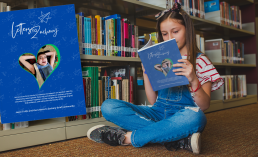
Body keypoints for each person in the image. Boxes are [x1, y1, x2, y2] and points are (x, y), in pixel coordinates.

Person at [86, 2, 224, 154]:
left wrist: (193, 79)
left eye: (175, 31)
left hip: (184, 114)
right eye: (164, 34)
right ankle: (177, 137)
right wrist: (146, 73)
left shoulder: (201, 61)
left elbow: (204, 106)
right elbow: (153, 101)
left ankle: (127, 138)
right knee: (109, 106)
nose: (169, 38)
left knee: (197, 118)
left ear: (188, 30)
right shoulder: (159, 57)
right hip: (158, 112)